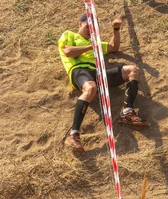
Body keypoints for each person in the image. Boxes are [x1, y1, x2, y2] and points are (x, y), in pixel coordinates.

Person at [58, 13, 147, 151]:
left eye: (93, 28)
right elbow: (68, 51)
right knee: (91, 88)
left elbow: (113, 47)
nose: (90, 29)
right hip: (78, 70)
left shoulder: (96, 42)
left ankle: (127, 112)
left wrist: (116, 30)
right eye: (87, 26)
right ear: (80, 24)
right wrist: (91, 47)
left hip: (97, 72)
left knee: (133, 70)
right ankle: (73, 134)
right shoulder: (69, 35)